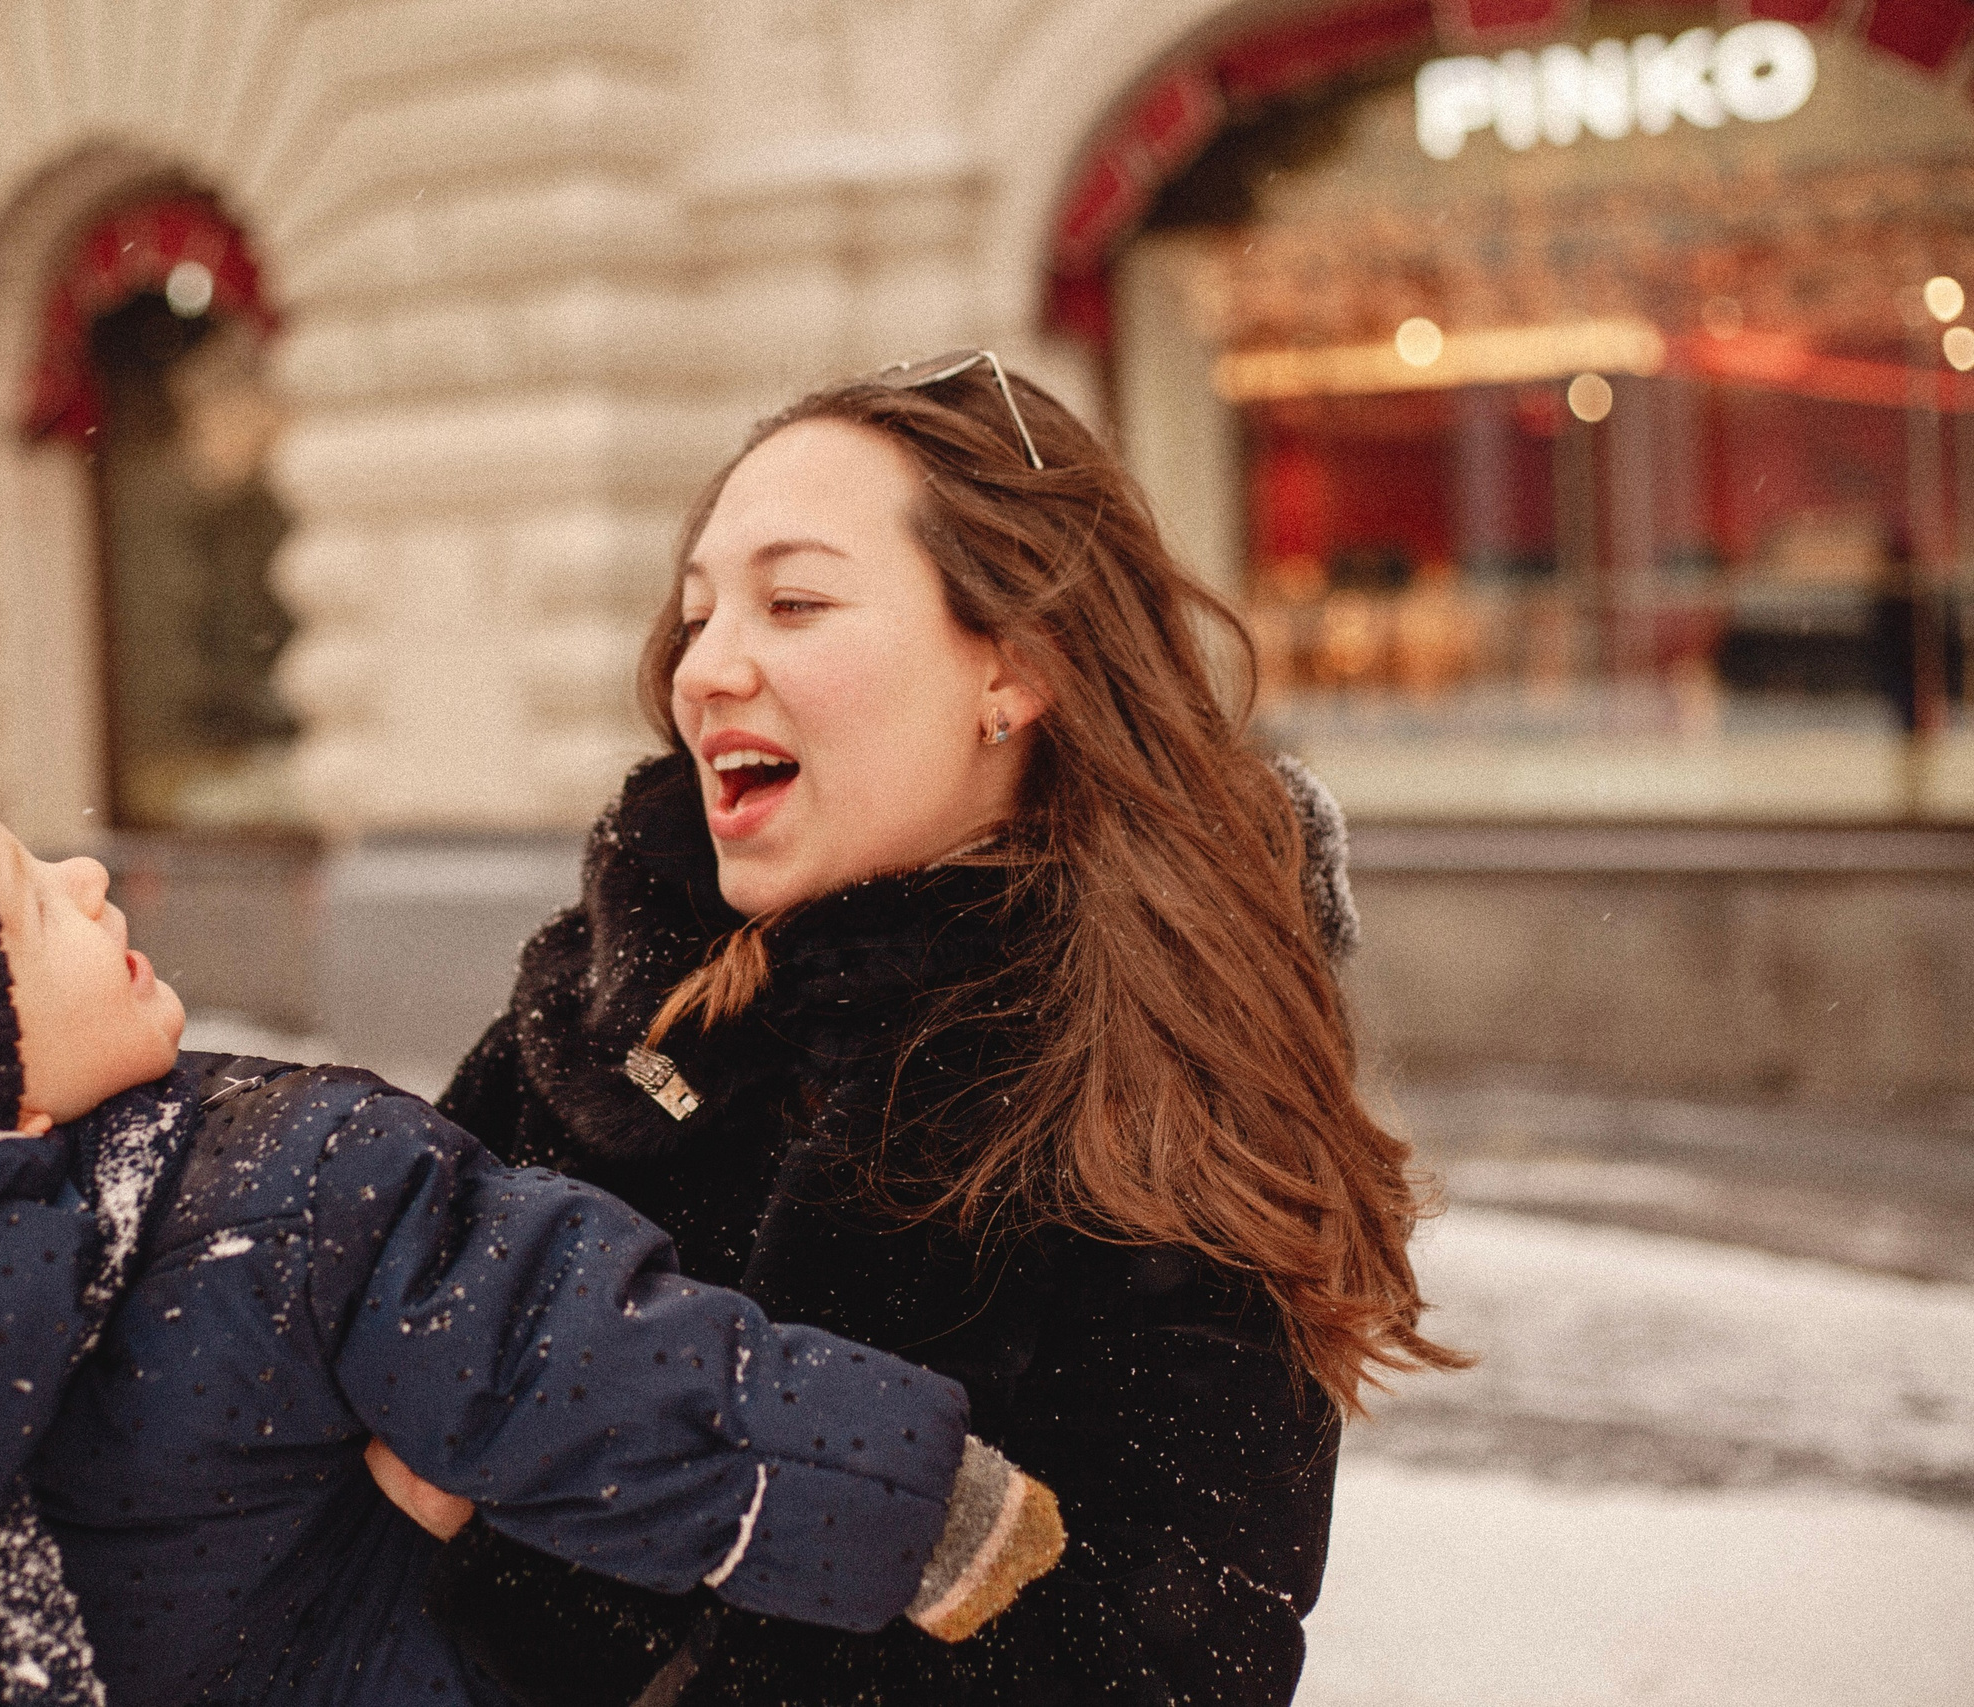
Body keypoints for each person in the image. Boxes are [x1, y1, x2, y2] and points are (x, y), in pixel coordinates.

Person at [0, 728, 1065, 1707]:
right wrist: (908, 1499)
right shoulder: (273, 1190)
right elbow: (585, 1365)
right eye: (17, 909)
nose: (88, 882)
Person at [424, 352, 1467, 1706]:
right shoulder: (600, 1019)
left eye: (794, 602)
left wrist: (758, 1478)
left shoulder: (1151, 1080)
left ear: (1014, 668)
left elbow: (1170, 1661)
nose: (706, 669)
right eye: (696, 616)